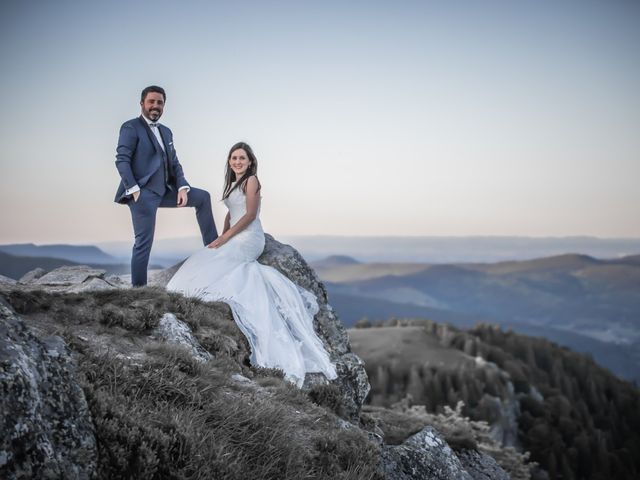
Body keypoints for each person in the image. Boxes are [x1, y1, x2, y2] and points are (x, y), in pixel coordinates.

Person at [167, 142, 337, 387]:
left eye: (241, 158)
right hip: (235, 234)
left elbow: (248, 214)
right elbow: (231, 212)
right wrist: (222, 234)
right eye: (234, 158)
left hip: (249, 237)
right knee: (206, 257)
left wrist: (226, 238)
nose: (237, 161)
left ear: (249, 162)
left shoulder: (251, 180)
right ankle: (185, 294)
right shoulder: (233, 183)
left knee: (216, 260)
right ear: (229, 161)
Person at [114, 85, 218, 286]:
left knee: (203, 197)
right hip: (143, 193)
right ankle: (139, 291)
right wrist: (135, 190)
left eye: (159, 102)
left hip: (166, 190)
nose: (155, 106)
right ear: (142, 104)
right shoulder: (131, 127)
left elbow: (175, 163)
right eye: (151, 101)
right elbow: (122, 160)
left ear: (164, 106)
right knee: (144, 243)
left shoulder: (166, 132)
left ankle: (213, 251)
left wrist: (182, 186)